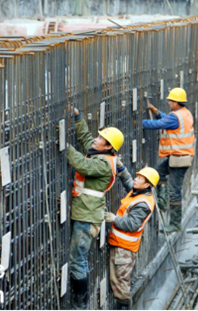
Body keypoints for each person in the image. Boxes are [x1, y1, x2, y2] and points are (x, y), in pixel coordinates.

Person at [67, 107, 124, 309]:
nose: (95, 139)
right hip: (85, 211)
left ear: (108, 147)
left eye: (100, 138)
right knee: (77, 259)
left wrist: (65, 147)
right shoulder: (102, 155)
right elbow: (86, 139)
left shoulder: (103, 164)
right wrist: (78, 117)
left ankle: (79, 305)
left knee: (77, 261)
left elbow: (82, 164)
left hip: (87, 216)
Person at [105, 165, 159, 310]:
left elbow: (132, 224)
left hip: (124, 249)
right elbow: (129, 181)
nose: (136, 180)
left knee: (121, 286)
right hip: (120, 245)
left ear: (147, 184)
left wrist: (113, 218)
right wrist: (121, 168)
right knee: (118, 283)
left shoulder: (142, 203)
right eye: (137, 176)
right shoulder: (138, 193)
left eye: (140, 178)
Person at [142, 87, 195, 233]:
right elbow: (167, 119)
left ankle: (175, 223)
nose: (169, 103)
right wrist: (156, 112)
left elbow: (160, 124)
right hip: (179, 157)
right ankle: (163, 201)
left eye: (171, 101)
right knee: (158, 173)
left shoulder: (175, 116)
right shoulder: (185, 113)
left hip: (179, 159)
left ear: (177, 102)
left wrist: (142, 123)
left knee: (175, 191)